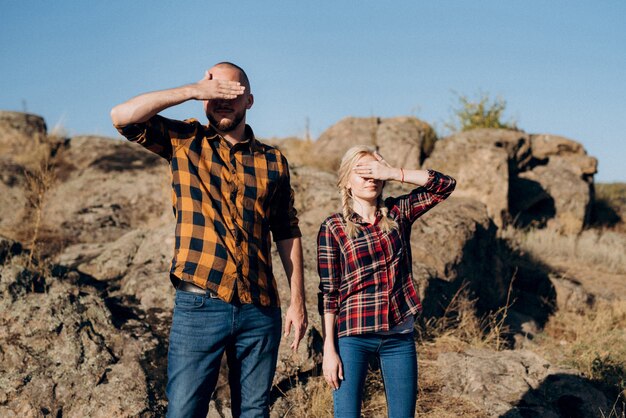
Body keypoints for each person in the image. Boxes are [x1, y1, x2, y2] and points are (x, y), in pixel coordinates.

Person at [110, 62, 308, 418]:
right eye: (215, 91)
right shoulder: (185, 140)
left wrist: (297, 302)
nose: (222, 99)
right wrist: (190, 89)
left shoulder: (274, 161)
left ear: (249, 100)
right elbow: (122, 117)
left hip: (260, 308)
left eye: (231, 92)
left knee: (254, 411)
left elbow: (287, 231)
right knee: (185, 411)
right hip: (200, 305)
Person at [317, 145, 456, 418]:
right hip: (353, 336)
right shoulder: (333, 227)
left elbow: (445, 186)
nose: (371, 179)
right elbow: (329, 293)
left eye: (375, 173)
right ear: (346, 181)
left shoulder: (397, 213)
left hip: (398, 337)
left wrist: (393, 172)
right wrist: (329, 350)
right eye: (363, 173)